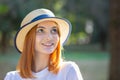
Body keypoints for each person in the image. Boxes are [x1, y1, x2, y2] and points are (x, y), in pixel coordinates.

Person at [4, 8, 83, 80]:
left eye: (54, 30)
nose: (49, 37)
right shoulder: (12, 77)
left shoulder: (68, 71)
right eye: (41, 30)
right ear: (28, 39)